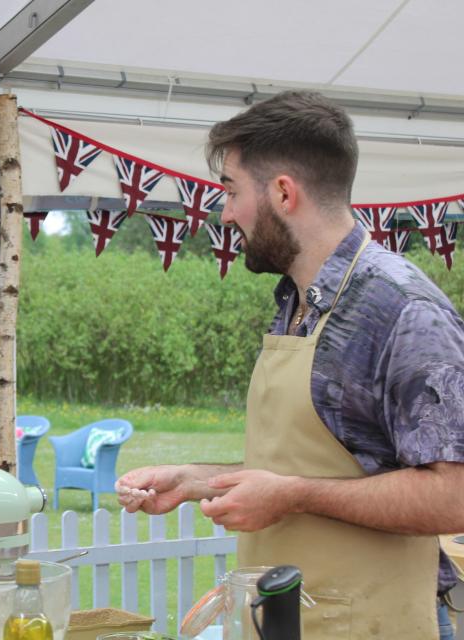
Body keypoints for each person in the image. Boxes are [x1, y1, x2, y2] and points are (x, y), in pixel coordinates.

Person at [116, 91, 464, 639]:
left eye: (231, 191)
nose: (225, 212)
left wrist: (294, 496)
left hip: (370, 624)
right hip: (284, 620)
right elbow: (311, 467)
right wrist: (195, 480)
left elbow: (454, 494)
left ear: (283, 192)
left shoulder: (401, 308)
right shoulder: (296, 301)